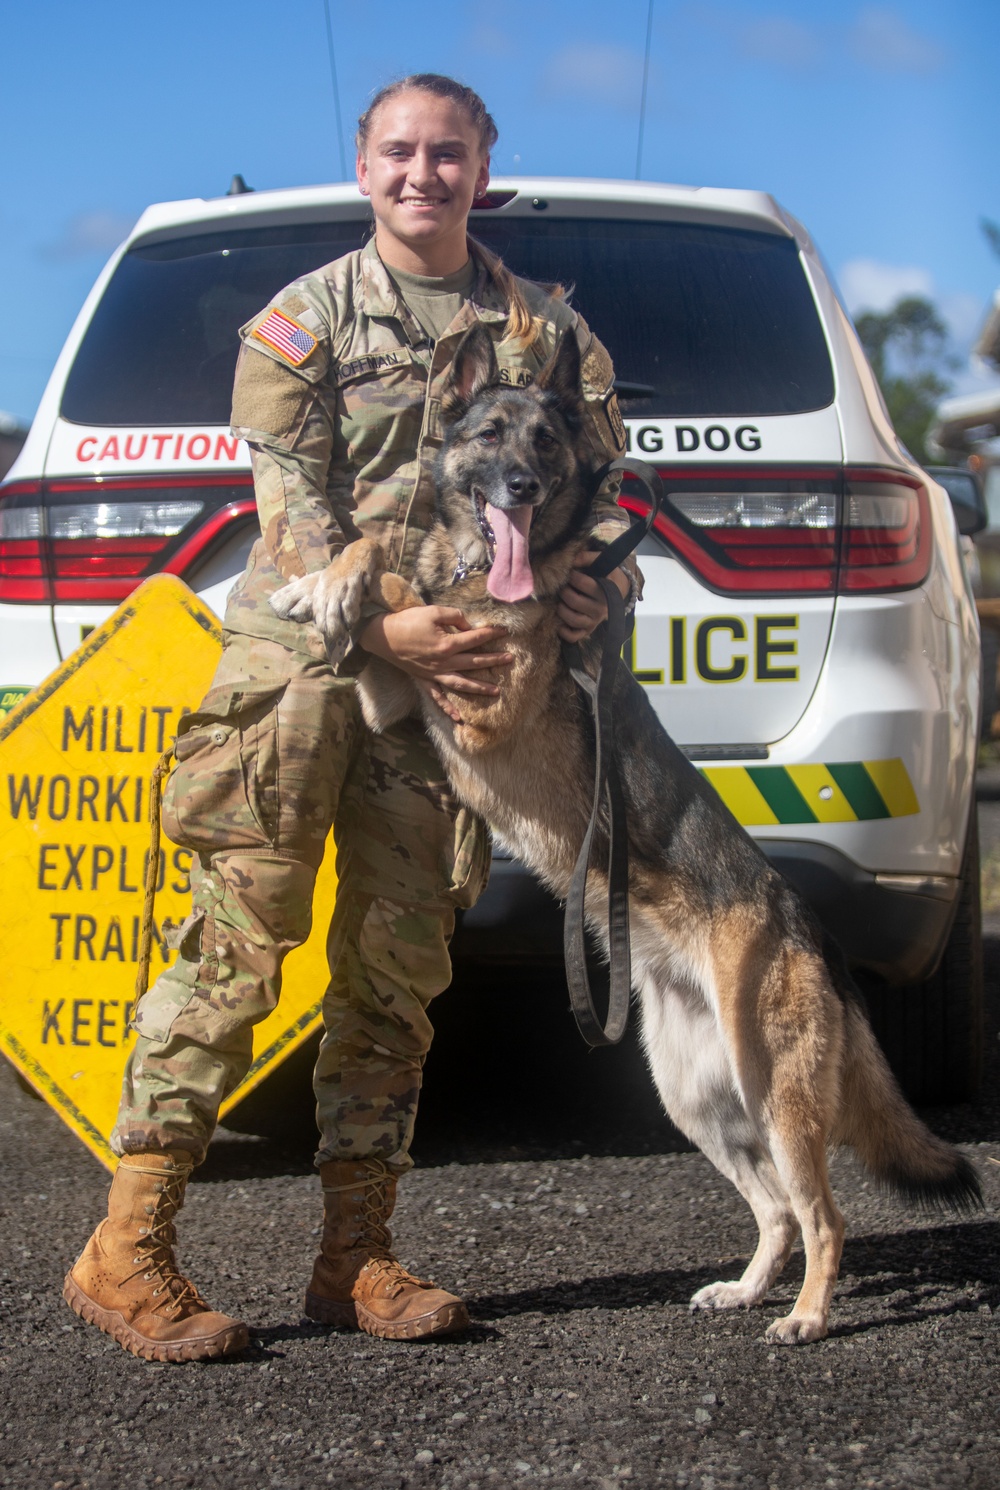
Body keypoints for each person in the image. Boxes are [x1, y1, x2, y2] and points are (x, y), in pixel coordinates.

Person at [63, 73, 639, 1361]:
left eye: (449, 153)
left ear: (486, 166)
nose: (423, 173)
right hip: (303, 672)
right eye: (399, 152)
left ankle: (357, 1258)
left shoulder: (550, 339)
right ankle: (124, 1249)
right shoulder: (301, 322)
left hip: (450, 694)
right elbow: (293, 512)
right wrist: (384, 625)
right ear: (364, 163)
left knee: (394, 973)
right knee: (238, 956)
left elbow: (601, 497)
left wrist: (598, 587)